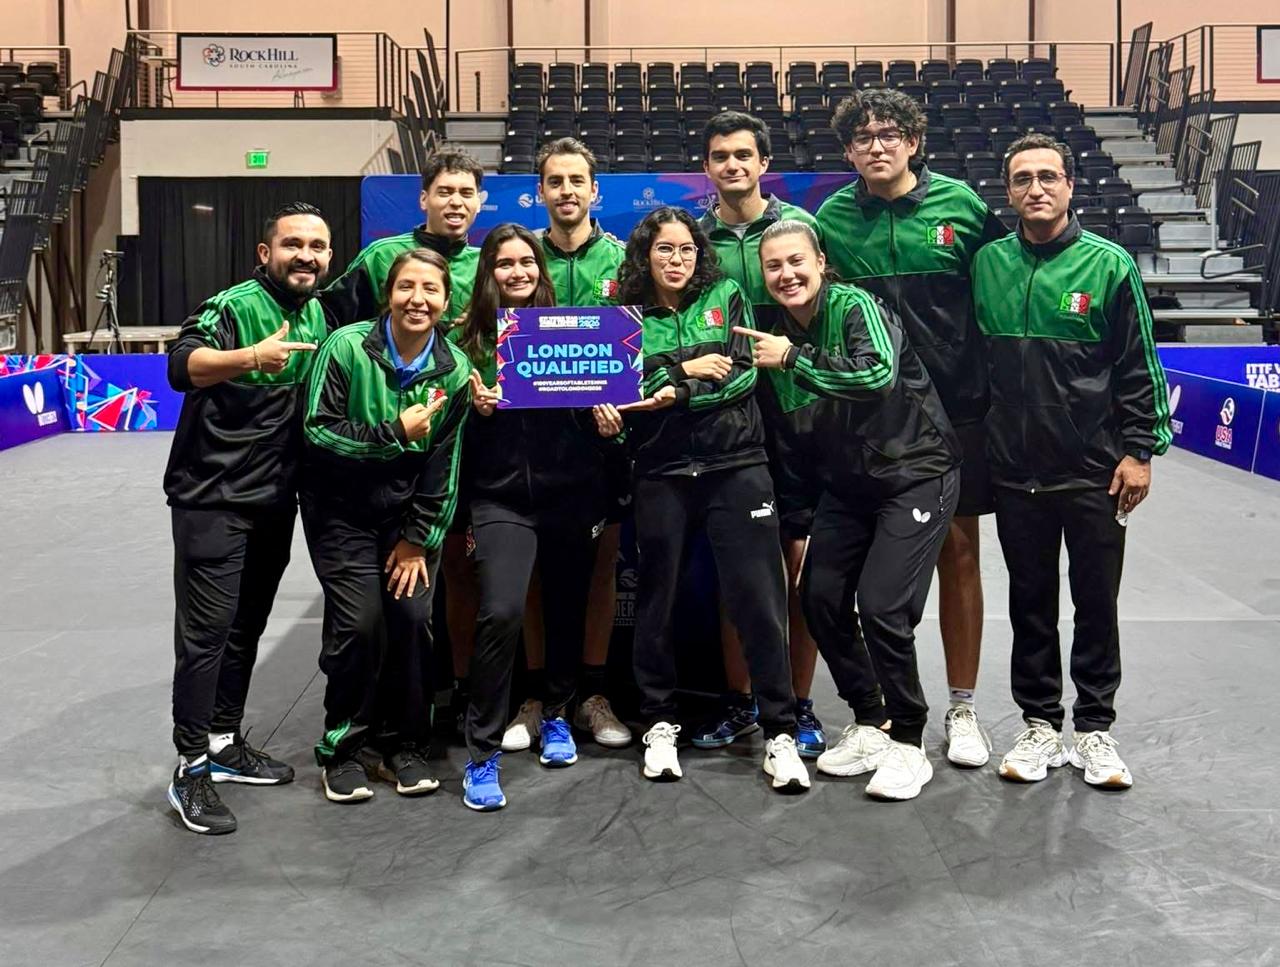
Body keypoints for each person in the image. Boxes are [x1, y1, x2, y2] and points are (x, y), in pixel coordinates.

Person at [737, 219, 961, 802]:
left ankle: (909, 739)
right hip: (848, 485)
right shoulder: (774, 335)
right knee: (818, 599)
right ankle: (870, 718)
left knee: (882, 606)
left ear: (820, 262)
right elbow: (796, 433)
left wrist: (793, 359)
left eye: (796, 261)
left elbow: (877, 375)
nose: (786, 274)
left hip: (916, 471)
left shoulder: (854, 306)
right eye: (773, 266)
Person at [816, 89, 1007, 769]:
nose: (877, 145)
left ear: (914, 142)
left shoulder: (962, 206)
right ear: (848, 151)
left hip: (958, 411)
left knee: (959, 551)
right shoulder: (833, 219)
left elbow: (1001, 282)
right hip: (873, 415)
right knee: (876, 572)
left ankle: (962, 706)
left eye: (890, 133)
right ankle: (883, 709)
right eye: (863, 137)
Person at [973, 135, 1170, 789]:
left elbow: (1139, 365)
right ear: (1009, 191)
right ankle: (1039, 725)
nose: (1036, 188)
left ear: (1069, 186)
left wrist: (1140, 451)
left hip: (1094, 469)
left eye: (1048, 177)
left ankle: (1093, 728)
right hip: (1014, 470)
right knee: (1029, 603)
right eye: (1022, 178)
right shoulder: (988, 263)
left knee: (1095, 602)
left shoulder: (1109, 265)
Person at [608, 205, 808, 792]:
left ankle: (780, 732)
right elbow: (621, 383)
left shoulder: (726, 294)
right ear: (645, 255)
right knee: (656, 598)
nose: (676, 260)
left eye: (687, 249)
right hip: (661, 469)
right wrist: (686, 368)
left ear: (700, 254)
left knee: (759, 600)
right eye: (664, 249)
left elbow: (744, 373)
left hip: (736, 465)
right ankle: (659, 723)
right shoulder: (624, 314)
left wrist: (676, 391)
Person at [163, 202, 333, 835]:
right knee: (205, 637)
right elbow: (180, 366)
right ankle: (189, 768)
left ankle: (223, 741)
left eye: (317, 247)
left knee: (245, 628)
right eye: (293, 244)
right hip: (213, 499)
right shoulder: (233, 306)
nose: (305, 256)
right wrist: (249, 357)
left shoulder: (317, 312)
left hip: (273, 501)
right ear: (266, 253)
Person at [449, 223, 620, 810]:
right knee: (500, 610)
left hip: (570, 493)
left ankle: (557, 714)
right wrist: (472, 409)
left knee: (567, 607)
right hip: (499, 498)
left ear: (540, 271)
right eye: (505, 263)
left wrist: (603, 420)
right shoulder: (465, 341)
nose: (517, 272)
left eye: (527, 262)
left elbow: (592, 415)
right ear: (488, 272)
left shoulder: (572, 331)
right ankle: (482, 754)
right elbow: (442, 426)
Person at [301, 248, 472, 803]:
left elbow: (443, 465)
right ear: (388, 294)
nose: (417, 300)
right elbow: (318, 431)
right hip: (341, 515)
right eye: (406, 287)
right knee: (359, 626)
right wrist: (392, 434)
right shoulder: (345, 347)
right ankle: (344, 749)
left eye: (430, 290)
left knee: (413, 622)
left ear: (446, 301)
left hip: (407, 521)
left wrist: (417, 539)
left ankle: (407, 746)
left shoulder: (455, 370)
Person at [694, 110, 827, 758]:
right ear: (707, 167)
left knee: (799, 570)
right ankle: (740, 700)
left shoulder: (799, 229)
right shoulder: (694, 238)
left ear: (763, 163)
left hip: (798, 420)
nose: (732, 165)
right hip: (725, 424)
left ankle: (799, 704)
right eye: (721, 156)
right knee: (740, 570)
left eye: (743, 154)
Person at [498, 138, 632, 754]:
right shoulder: (520, 257)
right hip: (531, 438)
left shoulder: (625, 260)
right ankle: (534, 694)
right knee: (531, 570)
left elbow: (643, 341)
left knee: (603, 566)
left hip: (605, 436)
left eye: (577, 180)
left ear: (594, 190)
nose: (567, 191)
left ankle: (592, 693)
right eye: (555, 181)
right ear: (540, 192)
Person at [323, 148, 484, 332]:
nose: (456, 202)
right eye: (445, 192)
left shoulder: (489, 265)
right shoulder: (381, 255)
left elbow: (511, 339)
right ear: (424, 200)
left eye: (466, 193)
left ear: (478, 203)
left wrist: (487, 325)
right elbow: (330, 316)